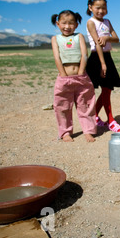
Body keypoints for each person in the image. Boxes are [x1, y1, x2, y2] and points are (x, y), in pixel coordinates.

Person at [51, 10, 97, 142]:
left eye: (71, 23)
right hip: (64, 78)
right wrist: (64, 75)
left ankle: (88, 130)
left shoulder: (79, 36)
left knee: (86, 104)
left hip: (81, 77)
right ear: (58, 23)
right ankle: (65, 132)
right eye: (64, 23)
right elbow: (57, 57)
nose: (67, 26)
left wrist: (81, 71)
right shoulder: (55, 39)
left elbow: (84, 54)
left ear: (76, 25)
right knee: (62, 106)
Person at [85, 0, 120, 133]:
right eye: (98, 8)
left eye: (104, 7)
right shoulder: (91, 22)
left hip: (107, 57)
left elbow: (116, 38)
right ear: (90, 8)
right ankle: (111, 121)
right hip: (97, 58)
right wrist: (103, 64)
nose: (101, 11)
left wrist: (107, 37)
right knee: (102, 90)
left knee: (107, 89)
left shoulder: (107, 21)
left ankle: (96, 116)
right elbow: (97, 44)